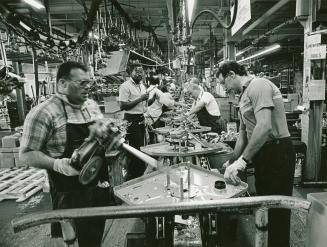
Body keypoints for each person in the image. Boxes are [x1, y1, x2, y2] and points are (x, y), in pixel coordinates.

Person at [20, 61, 113, 247]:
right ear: (62, 84)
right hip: (69, 193)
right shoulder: (43, 113)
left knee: (94, 239)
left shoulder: (90, 105)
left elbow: (102, 134)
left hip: (97, 186)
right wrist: (57, 164)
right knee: (74, 242)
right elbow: (26, 154)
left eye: (89, 83)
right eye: (82, 83)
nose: (88, 88)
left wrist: (107, 133)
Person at [217, 61, 296, 247]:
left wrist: (243, 161)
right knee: (265, 206)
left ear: (231, 74)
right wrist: (232, 161)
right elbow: (243, 135)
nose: (224, 87)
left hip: (277, 152)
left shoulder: (258, 85)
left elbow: (264, 126)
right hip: (263, 153)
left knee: (277, 209)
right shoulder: (243, 96)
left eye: (223, 83)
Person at [119, 64, 148, 180]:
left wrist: (150, 99)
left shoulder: (142, 86)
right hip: (131, 120)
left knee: (142, 146)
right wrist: (141, 98)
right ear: (131, 72)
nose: (139, 74)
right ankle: (135, 175)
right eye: (137, 71)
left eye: (141, 72)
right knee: (136, 148)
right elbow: (123, 106)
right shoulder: (125, 86)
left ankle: (140, 172)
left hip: (141, 118)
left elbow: (143, 104)